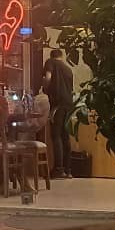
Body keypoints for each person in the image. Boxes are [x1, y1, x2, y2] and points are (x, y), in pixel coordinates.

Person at [43, 49, 74, 179]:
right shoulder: (68, 69)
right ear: (62, 56)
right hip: (69, 105)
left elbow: (48, 77)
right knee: (65, 136)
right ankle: (68, 170)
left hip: (57, 104)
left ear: (52, 56)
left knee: (56, 135)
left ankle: (58, 169)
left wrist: (44, 87)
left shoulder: (50, 62)